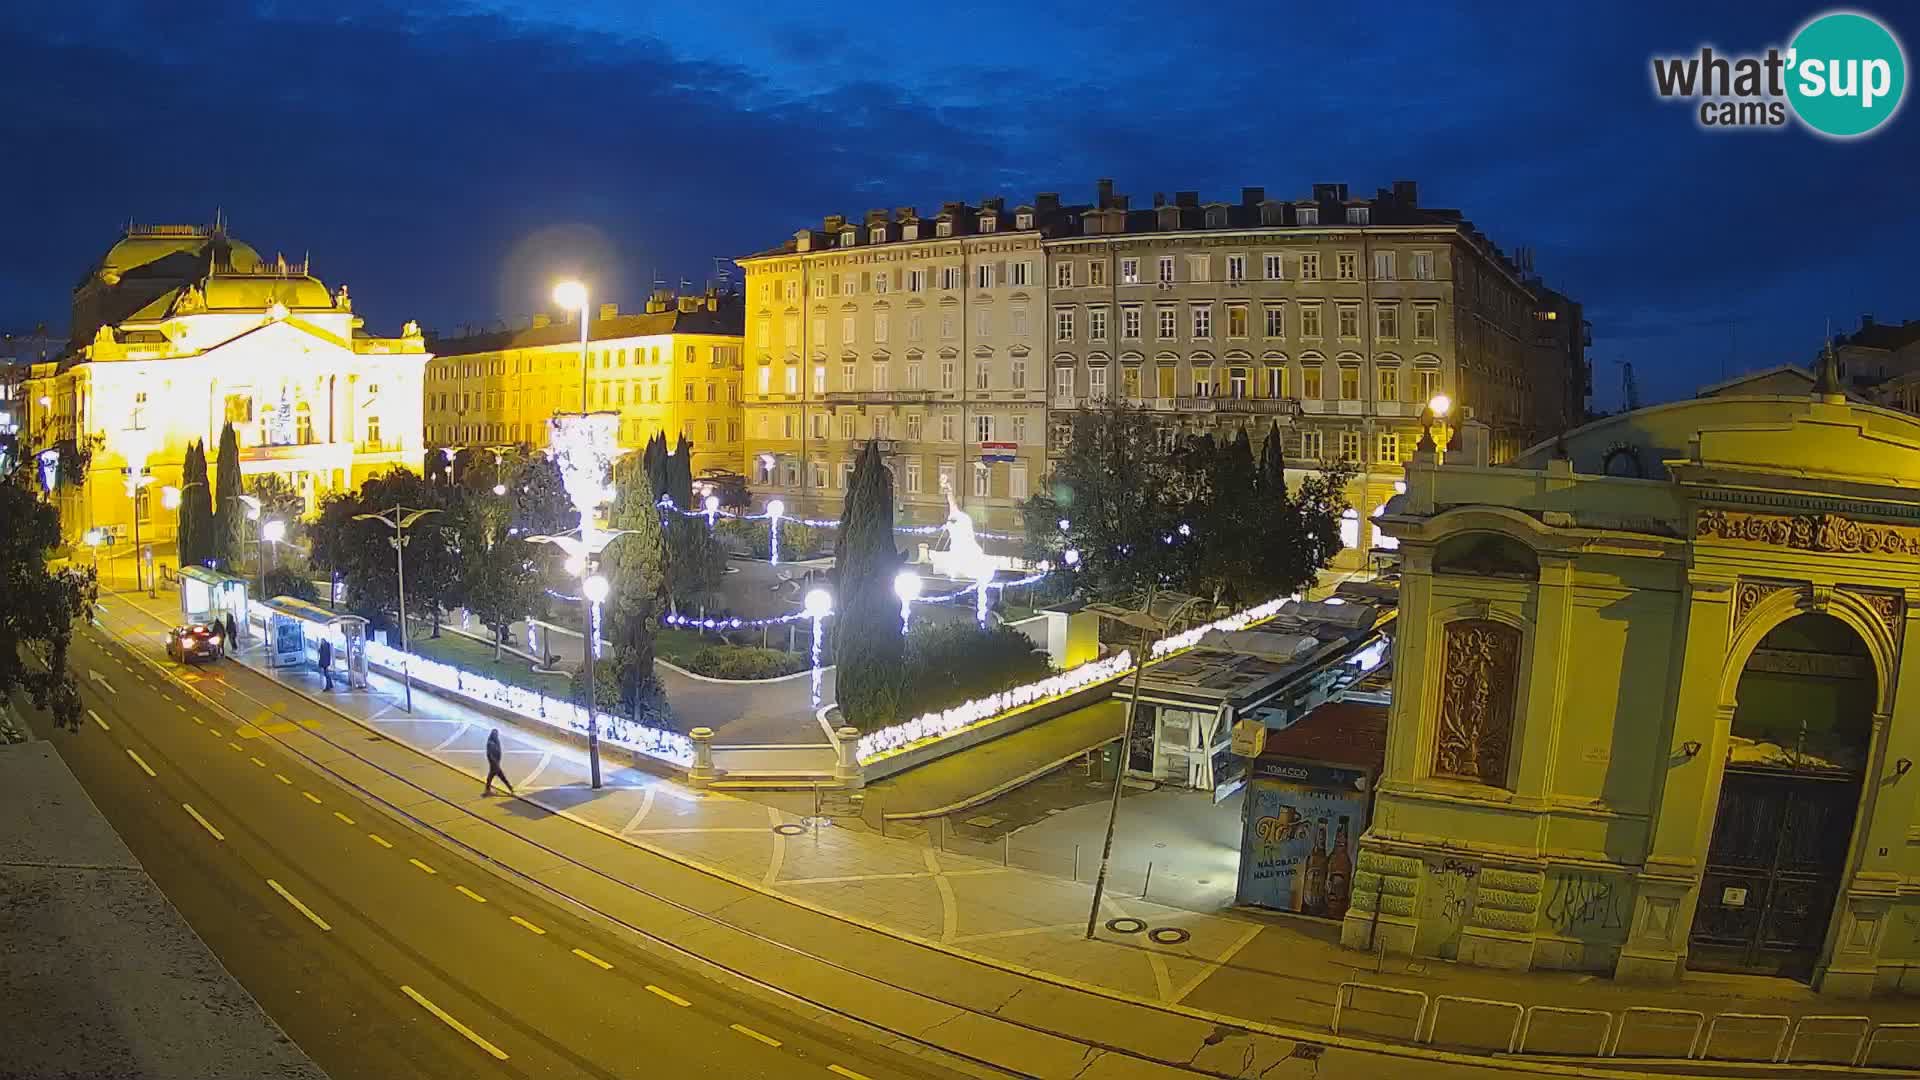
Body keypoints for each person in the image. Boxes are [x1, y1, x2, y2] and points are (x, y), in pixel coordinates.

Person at [483, 728, 514, 795]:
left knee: (491, 777)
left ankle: (487, 790)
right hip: (494, 764)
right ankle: (510, 788)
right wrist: (495, 763)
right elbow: (490, 754)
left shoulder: (495, 741)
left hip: (495, 763)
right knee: (500, 776)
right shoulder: (491, 743)